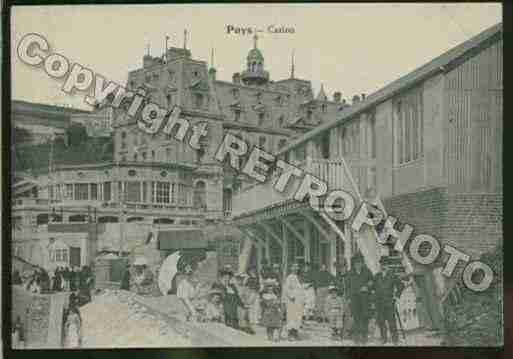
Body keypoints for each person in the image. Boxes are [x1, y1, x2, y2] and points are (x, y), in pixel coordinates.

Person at [373, 257, 405, 344]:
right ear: (380, 265)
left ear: (388, 265)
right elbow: (373, 288)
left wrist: (396, 296)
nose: (383, 266)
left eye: (385, 264)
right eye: (382, 264)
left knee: (391, 322)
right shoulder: (376, 276)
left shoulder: (392, 275)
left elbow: (401, 286)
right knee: (381, 322)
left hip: (389, 302)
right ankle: (384, 339)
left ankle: (395, 340)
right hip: (379, 303)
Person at [347, 253, 373, 344]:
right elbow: (347, 287)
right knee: (356, 318)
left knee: (365, 318)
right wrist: (348, 298)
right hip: (354, 299)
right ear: (354, 263)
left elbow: (372, 282)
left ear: (362, 263)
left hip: (365, 299)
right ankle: (356, 338)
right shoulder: (350, 273)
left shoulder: (367, 271)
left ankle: (364, 338)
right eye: (356, 263)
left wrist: (367, 286)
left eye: (360, 262)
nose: (358, 264)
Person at [283, 263, 304, 341]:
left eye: (297, 267)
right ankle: (290, 333)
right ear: (291, 268)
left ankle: (295, 332)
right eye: (294, 267)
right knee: (292, 317)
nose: (296, 269)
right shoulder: (289, 277)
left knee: (298, 317)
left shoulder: (299, 277)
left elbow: (301, 288)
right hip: (292, 300)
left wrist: (303, 299)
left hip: (299, 300)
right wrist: (291, 296)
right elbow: (286, 288)